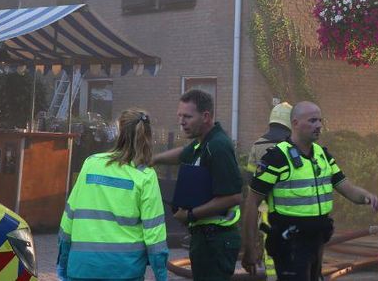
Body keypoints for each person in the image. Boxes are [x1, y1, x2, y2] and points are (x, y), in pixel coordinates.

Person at [240, 101, 378, 280]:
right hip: (289, 244)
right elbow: (252, 203)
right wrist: (250, 249)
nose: (319, 125)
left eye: (320, 121)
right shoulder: (276, 158)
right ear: (295, 123)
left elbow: (346, 187)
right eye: (313, 121)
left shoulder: (322, 155)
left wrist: (368, 197)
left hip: (316, 241)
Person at [56, 109, 168, 281]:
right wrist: (161, 276)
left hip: (82, 268)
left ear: (119, 130)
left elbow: (68, 220)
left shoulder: (91, 164)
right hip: (124, 272)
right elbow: (155, 236)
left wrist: (62, 266)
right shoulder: (145, 176)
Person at [154, 90, 243, 280]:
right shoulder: (202, 143)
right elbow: (183, 153)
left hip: (216, 241)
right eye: (180, 116)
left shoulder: (217, 146)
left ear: (206, 117)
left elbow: (234, 196)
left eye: (187, 116)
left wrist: (190, 215)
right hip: (206, 239)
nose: (182, 122)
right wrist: (153, 159)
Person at [244, 102, 293, 281]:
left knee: (270, 248)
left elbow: (250, 179)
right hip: (289, 209)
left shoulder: (257, 145)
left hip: (265, 210)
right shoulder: (292, 146)